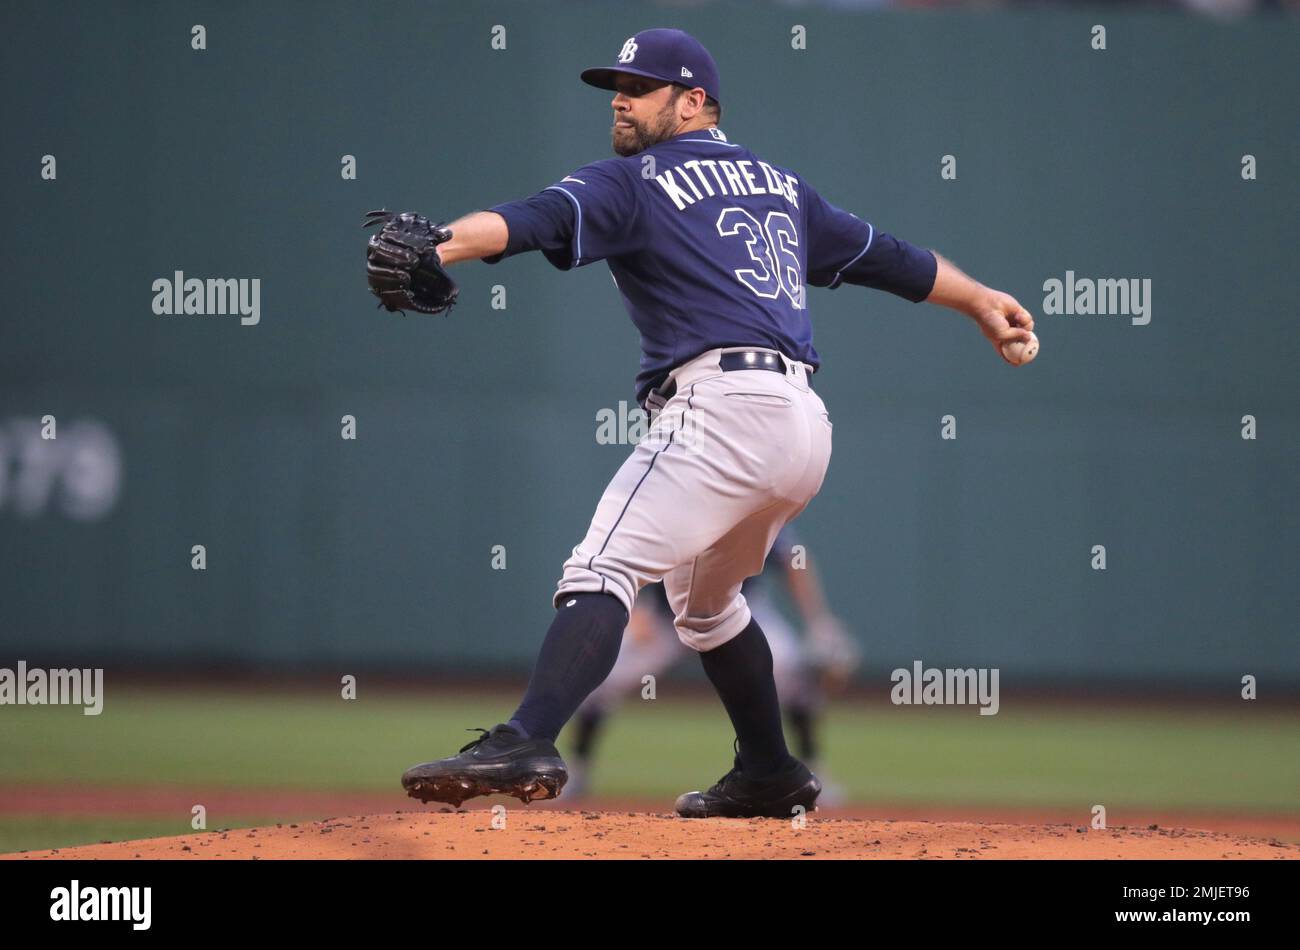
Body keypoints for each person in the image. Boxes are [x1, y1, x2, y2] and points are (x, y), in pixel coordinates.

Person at [398, 28, 1035, 818]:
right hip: (802, 427)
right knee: (705, 605)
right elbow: (890, 257)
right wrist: (980, 300)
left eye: (640, 85)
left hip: (719, 411)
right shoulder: (779, 186)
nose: (621, 100)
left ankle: (527, 735)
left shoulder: (634, 182)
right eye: (615, 87)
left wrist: (438, 247)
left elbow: (533, 219)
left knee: (600, 567)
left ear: (694, 100)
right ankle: (769, 770)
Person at [564, 524, 861, 804]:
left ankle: (812, 770)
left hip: (739, 610)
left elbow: (792, 559)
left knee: (793, 673)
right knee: (601, 676)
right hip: (666, 616)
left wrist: (818, 621)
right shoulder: (676, 494)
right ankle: (577, 770)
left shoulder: (750, 497)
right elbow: (632, 551)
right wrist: (636, 605)